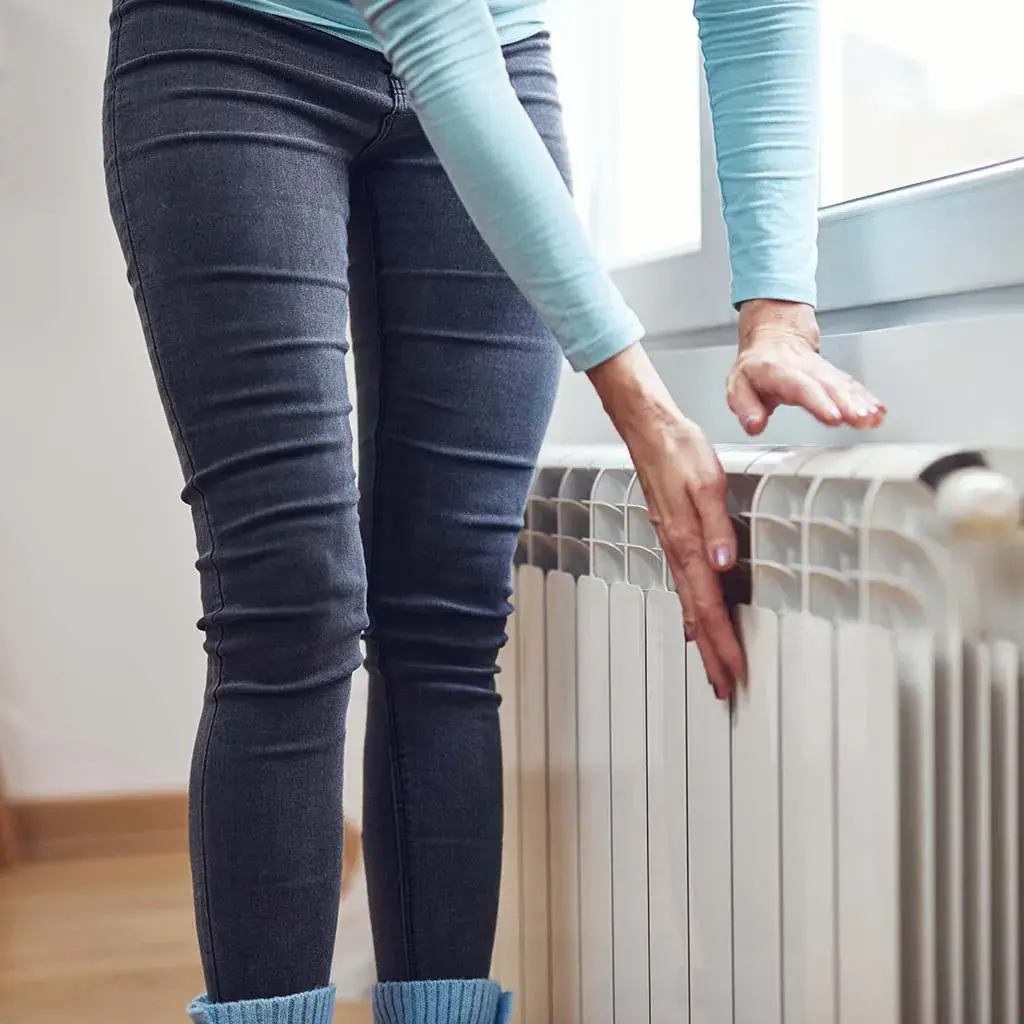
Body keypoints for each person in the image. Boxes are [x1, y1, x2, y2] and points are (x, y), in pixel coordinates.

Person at [101, 0, 884, 1022]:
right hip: (231, 43)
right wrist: (640, 403)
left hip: (495, 54)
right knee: (291, 600)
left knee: (449, 611)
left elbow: (755, 9)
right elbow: (429, 29)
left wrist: (776, 309)